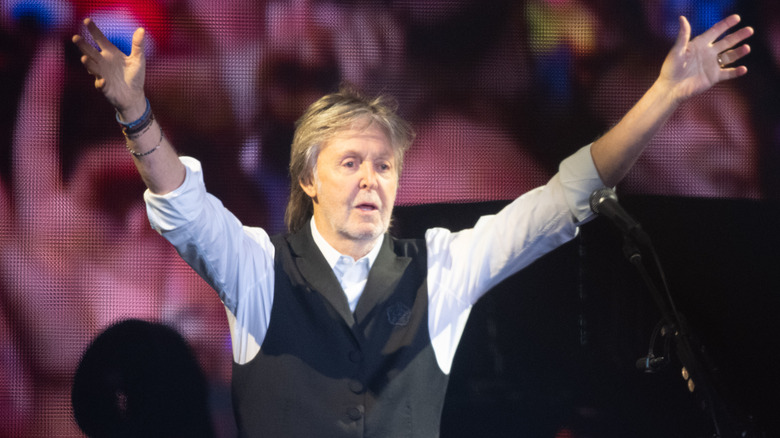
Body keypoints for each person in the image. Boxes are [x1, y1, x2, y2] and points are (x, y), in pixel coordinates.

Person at [72, 13, 753, 437]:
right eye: (349, 163)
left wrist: (664, 95)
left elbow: (567, 194)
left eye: (382, 165)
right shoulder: (258, 275)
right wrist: (135, 113)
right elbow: (185, 208)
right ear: (308, 182)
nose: (370, 180)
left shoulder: (441, 269)